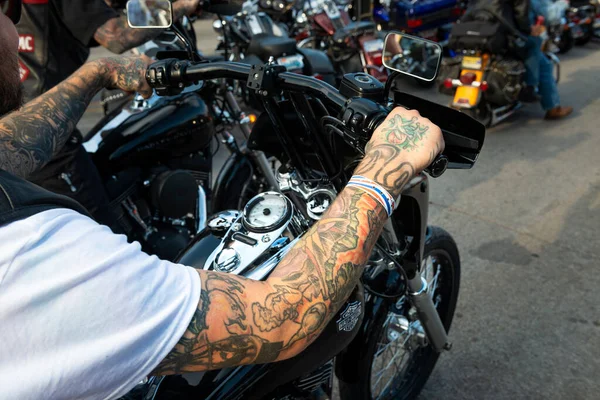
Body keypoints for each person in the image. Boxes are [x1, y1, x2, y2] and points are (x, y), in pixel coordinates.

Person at [0, 2, 444, 399]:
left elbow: (8, 145)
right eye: (6, 7)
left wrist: (93, 75)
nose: (13, 22)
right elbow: (283, 316)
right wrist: (380, 173)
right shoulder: (37, 253)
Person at [13, 0, 202, 231]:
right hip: (48, 142)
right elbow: (117, 35)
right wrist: (182, 5)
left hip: (16, 126)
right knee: (109, 238)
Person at [467, 0, 573, 120]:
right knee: (541, 57)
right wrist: (528, 29)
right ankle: (536, 93)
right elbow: (534, 15)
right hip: (506, 36)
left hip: (478, 33)